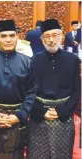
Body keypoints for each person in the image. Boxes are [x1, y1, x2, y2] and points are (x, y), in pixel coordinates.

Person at [0, 20, 36, 159]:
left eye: (12, 36)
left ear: (17, 37)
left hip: (17, 118)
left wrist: (18, 116)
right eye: (4, 36)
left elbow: (32, 92)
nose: (8, 40)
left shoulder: (28, 62)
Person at [27, 19, 81, 159]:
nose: (51, 40)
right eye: (47, 36)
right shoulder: (34, 60)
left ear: (61, 36)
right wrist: (41, 111)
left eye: (55, 35)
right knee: (37, 154)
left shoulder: (73, 60)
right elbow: (28, 91)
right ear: (41, 38)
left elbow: (76, 90)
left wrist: (62, 111)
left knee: (62, 154)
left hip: (64, 116)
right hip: (39, 117)